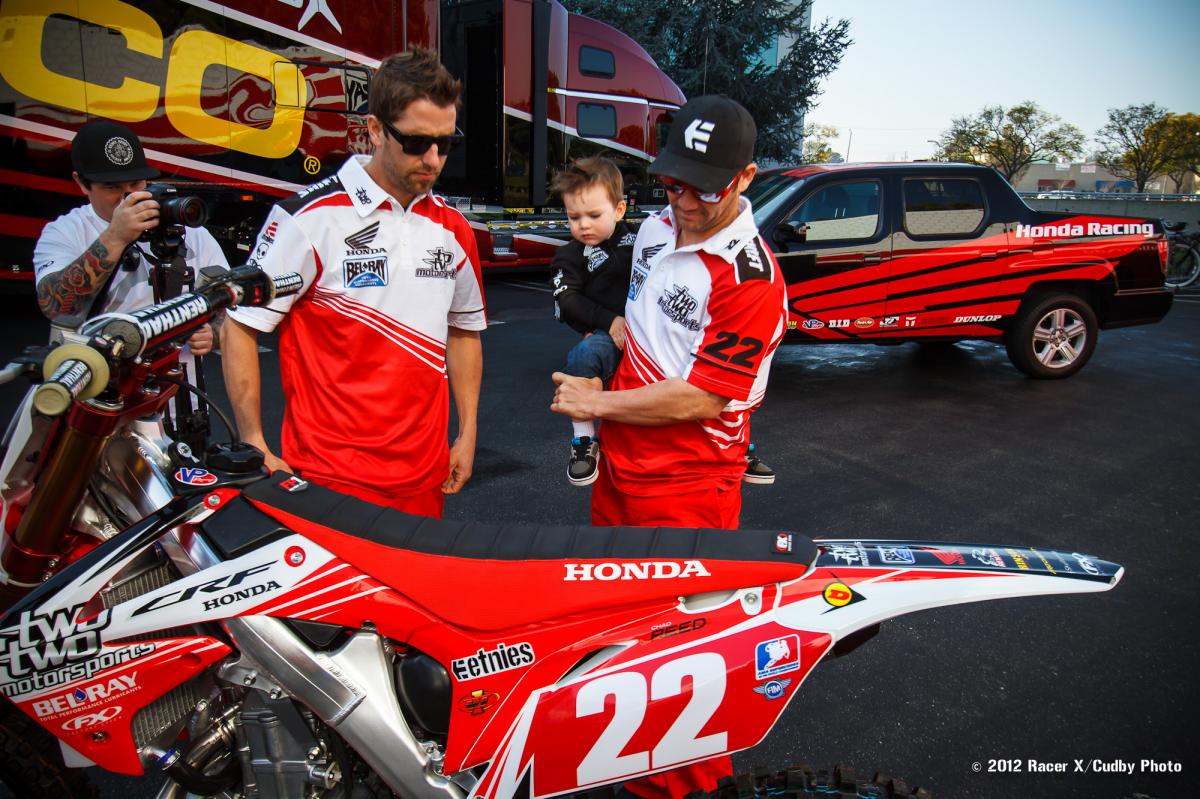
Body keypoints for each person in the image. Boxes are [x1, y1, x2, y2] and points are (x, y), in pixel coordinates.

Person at [550, 95, 787, 799]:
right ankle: (631, 774)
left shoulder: (750, 281)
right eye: (672, 180)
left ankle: (689, 790)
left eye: (702, 186)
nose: (681, 199)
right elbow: (646, 323)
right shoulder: (655, 228)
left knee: (681, 666)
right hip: (620, 474)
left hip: (687, 492)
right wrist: (618, 337)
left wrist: (596, 402)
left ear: (744, 178)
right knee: (617, 648)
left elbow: (704, 398)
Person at [221, 49, 485, 519]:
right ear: (376, 130)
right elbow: (240, 325)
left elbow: (463, 331)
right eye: (416, 142)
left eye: (446, 144)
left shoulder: (453, 227)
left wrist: (467, 432)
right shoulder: (306, 219)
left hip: (425, 477)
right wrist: (254, 440)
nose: (433, 160)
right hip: (327, 477)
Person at [33, 119, 223, 352]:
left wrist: (213, 333)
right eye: (112, 187)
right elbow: (56, 306)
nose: (129, 197)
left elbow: (232, 304)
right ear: (81, 183)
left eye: (136, 183)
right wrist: (116, 236)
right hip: (99, 380)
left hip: (177, 383)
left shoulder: (191, 232)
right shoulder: (65, 231)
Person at [549, 157, 636, 486]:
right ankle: (584, 441)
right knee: (582, 357)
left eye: (594, 215)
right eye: (574, 217)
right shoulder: (568, 256)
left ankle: (732, 443)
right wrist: (611, 321)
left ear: (619, 210)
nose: (583, 225)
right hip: (604, 334)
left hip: (648, 333)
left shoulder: (642, 241)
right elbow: (566, 300)